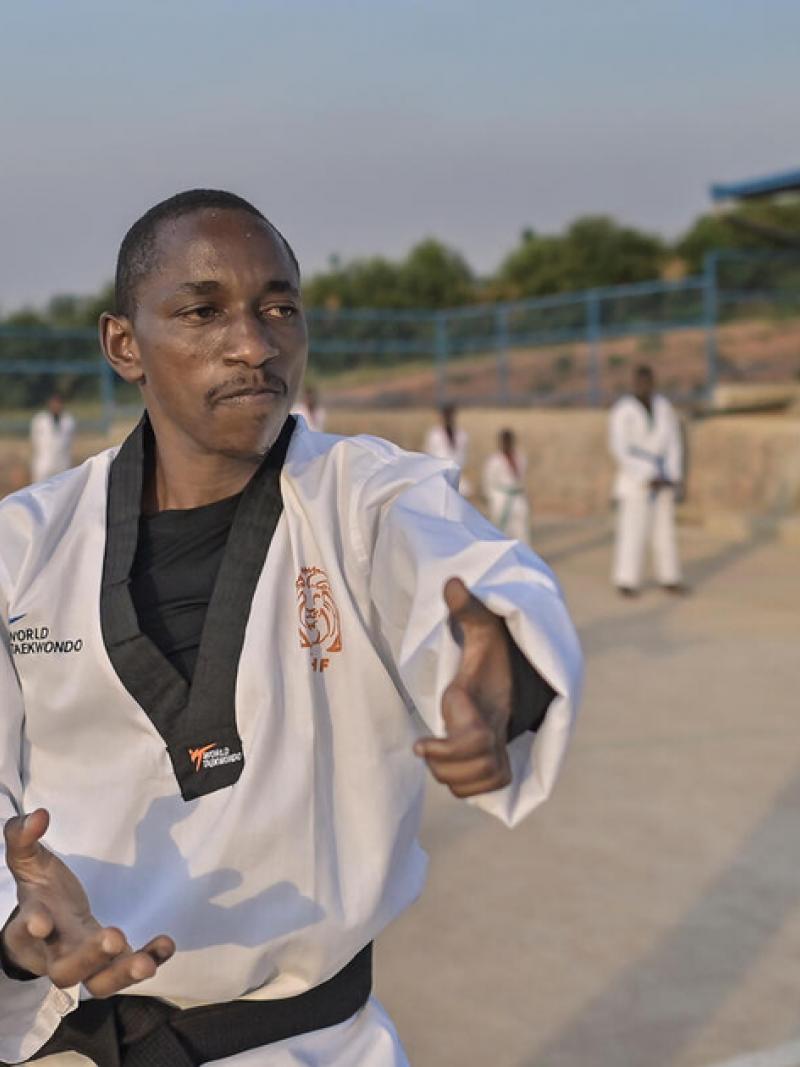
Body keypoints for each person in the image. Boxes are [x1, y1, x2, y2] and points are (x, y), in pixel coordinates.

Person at [0, 190, 583, 1067]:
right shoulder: (23, 547)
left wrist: (500, 674)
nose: (255, 343)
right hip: (67, 1041)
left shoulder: (362, 497)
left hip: (307, 1044)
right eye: (204, 311)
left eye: (280, 308)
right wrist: (19, 937)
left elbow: (466, 579)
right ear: (124, 344)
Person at [608, 364, 685, 596]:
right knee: (633, 530)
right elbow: (619, 449)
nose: (645, 385)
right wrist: (645, 474)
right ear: (634, 382)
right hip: (636, 479)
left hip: (663, 476)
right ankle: (626, 580)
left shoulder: (663, 407)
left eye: (648, 381)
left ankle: (670, 577)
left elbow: (674, 443)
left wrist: (672, 473)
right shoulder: (623, 410)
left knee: (665, 531)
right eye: (640, 381)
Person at [482, 428, 531, 545]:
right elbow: (487, 483)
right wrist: (494, 500)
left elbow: (521, 479)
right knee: (502, 534)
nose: (507, 443)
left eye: (509, 440)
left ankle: (522, 560)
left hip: (518, 498)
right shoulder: (493, 460)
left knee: (522, 533)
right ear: (501, 442)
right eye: (505, 441)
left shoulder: (521, 458)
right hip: (501, 500)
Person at [423, 403, 472, 495]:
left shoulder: (462, 435)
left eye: (451, 415)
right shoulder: (434, 435)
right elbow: (428, 456)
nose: (449, 418)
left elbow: (464, 458)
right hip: (438, 478)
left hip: (457, 479)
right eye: (446, 415)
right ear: (442, 416)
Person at [29, 393, 76, 483]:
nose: (56, 406)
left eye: (58, 404)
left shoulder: (68, 420)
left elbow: (70, 440)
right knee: (39, 489)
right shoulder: (40, 420)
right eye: (54, 404)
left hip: (62, 462)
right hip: (44, 461)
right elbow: (34, 440)